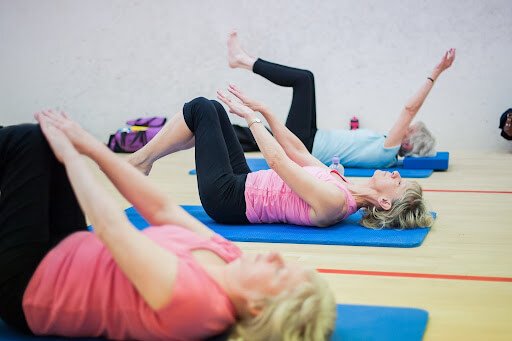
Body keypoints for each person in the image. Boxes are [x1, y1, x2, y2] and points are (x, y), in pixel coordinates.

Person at [0, 114, 336, 340]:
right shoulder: (231, 259)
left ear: (257, 307)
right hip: (68, 248)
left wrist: (73, 155)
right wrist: (89, 147)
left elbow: (111, 228)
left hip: (30, 283)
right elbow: (161, 209)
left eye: (278, 274)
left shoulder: (198, 303)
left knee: (27, 143)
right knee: (41, 142)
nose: (275, 257)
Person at [128, 86, 434, 230]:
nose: (395, 174)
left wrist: (252, 119)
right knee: (215, 109)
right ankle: (144, 161)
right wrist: (266, 111)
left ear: (384, 203)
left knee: (201, 108)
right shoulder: (341, 184)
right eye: (398, 175)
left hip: (227, 199)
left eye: (398, 182)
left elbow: (278, 162)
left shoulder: (335, 202)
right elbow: (298, 153)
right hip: (243, 181)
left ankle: (141, 161)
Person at [226, 31, 456, 168]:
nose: (409, 127)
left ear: (407, 144)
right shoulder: (386, 147)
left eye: (411, 130)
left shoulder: (389, 150)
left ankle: (242, 60)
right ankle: (242, 61)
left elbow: (409, 108)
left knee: (304, 80)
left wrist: (436, 72)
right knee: (301, 84)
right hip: (310, 138)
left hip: (306, 144)